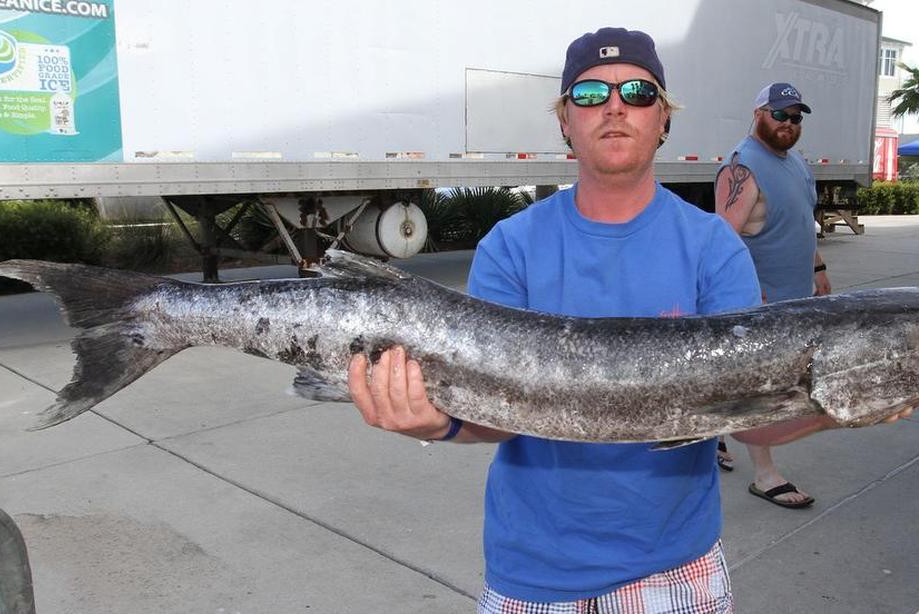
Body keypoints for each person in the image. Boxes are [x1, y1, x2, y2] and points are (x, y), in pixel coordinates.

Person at [346, 27, 851, 611]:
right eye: (589, 95)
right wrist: (438, 424)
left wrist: (845, 400)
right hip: (533, 572)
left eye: (638, 91)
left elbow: (747, 420)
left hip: (677, 568)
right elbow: (501, 414)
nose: (614, 106)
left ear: (664, 117)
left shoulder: (714, 248)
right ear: (565, 120)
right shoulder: (511, 246)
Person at [712, 82, 830, 509]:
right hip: (757, 305)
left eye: (796, 117)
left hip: (792, 298)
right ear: (759, 112)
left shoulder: (797, 162)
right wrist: (745, 293)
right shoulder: (742, 169)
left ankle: (711, 439)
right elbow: (723, 242)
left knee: (731, 382)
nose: (788, 123)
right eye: (780, 114)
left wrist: (818, 267)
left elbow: (802, 219)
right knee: (759, 388)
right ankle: (764, 474)